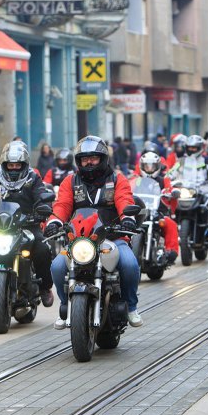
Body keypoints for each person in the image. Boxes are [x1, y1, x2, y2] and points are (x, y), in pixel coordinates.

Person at [46, 136, 142, 329]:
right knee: (56, 266)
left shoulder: (117, 179)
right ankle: (65, 306)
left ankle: (131, 307)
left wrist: (128, 219)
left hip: (112, 239)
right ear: (78, 161)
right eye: (84, 159)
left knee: (130, 264)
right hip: (79, 241)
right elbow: (62, 204)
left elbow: (125, 200)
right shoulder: (70, 181)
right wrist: (54, 221)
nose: (88, 162)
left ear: (103, 158)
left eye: (93, 158)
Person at [0, 141, 55, 306]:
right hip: (1, 225)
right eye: (10, 165)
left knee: (42, 249)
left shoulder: (33, 178)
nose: (14, 168)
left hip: (28, 224)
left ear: (24, 164)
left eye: (17, 165)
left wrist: (43, 209)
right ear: (4, 164)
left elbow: (41, 195)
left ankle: (44, 288)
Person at [134, 151, 179, 263]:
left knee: (170, 223)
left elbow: (169, 189)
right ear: (141, 166)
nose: (149, 168)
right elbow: (129, 188)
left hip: (157, 212)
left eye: (152, 166)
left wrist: (170, 193)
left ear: (158, 166)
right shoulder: (137, 179)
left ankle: (171, 252)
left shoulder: (163, 179)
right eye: (146, 166)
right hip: (140, 211)